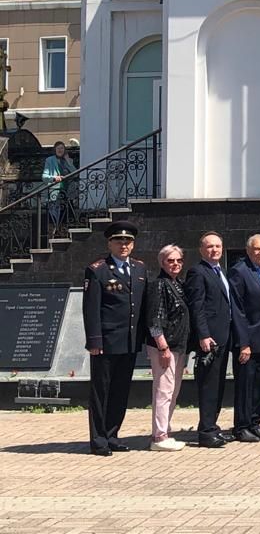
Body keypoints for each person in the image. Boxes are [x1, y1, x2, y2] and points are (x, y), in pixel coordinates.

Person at [83, 220, 147, 456]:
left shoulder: (139, 269)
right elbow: (91, 309)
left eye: (128, 241)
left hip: (129, 341)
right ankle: (99, 439)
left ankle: (112, 435)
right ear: (109, 244)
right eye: (119, 241)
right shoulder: (97, 270)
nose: (124, 245)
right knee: (102, 392)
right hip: (107, 342)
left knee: (121, 391)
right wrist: (94, 340)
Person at [184, 230, 237, 449]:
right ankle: (206, 432)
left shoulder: (220, 271)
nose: (214, 250)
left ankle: (212, 427)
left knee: (218, 384)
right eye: (209, 246)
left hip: (223, 336)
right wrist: (203, 335)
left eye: (217, 246)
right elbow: (197, 306)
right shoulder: (197, 272)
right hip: (210, 339)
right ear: (201, 250)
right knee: (208, 386)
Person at [228, 233, 260, 443]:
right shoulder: (239, 272)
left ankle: (255, 424)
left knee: (259, 385)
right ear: (248, 251)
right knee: (245, 386)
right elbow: (237, 310)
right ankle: (241, 427)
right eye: (257, 249)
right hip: (247, 341)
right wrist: (243, 343)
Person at [144, 244, 190, 451]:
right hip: (165, 347)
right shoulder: (158, 285)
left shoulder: (178, 284)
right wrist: (162, 347)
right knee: (163, 390)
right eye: (170, 260)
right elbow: (154, 319)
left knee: (173, 389)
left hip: (178, 345)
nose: (175, 264)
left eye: (179, 260)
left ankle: (165, 429)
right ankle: (159, 436)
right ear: (162, 263)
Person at [42, 140, 77, 238]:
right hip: (55, 193)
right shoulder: (50, 160)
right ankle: (52, 236)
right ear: (55, 150)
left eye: (62, 148)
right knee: (53, 216)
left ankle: (63, 235)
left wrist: (68, 162)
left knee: (65, 216)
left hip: (67, 193)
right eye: (58, 148)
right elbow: (44, 177)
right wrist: (54, 178)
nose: (60, 150)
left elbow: (75, 174)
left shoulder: (69, 161)